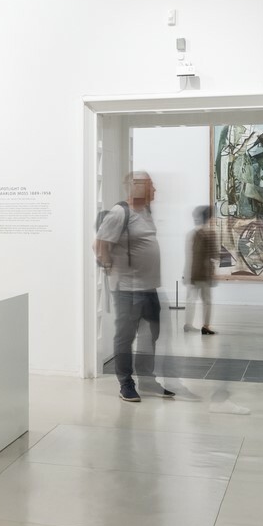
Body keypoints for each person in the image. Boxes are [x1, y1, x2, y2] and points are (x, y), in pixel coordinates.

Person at [94, 171, 173, 402]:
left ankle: (147, 380)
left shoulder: (146, 211)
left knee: (151, 334)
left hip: (149, 287)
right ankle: (125, 384)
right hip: (128, 289)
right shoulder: (120, 212)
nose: (155, 190)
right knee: (125, 336)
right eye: (150, 185)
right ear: (136, 186)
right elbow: (99, 245)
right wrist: (112, 269)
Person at [186, 205, 219, 335]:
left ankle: (188, 324)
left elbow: (190, 255)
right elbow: (215, 255)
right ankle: (206, 326)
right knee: (207, 301)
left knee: (191, 300)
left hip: (194, 272)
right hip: (204, 273)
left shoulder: (192, 234)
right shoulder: (210, 233)